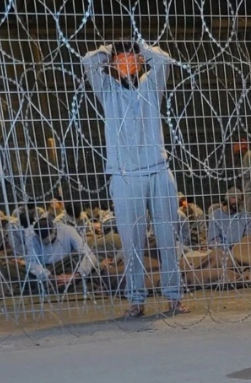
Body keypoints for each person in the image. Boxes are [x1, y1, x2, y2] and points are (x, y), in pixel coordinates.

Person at [81, 39, 189, 316]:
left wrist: (141, 48)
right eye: (121, 59)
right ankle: (136, 300)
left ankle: (174, 297)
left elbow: (163, 60)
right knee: (132, 243)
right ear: (113, 65)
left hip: (158, 171)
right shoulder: (108, 91)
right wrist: (108, 52)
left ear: (140, 62)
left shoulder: (151, 86)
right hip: (125, 176)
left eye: (131, 58)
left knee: (168, 239)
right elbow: (88, 62)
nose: (127, 62)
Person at [24, 218, 98, 290]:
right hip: (47, 270)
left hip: (67, 267)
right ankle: (61, 285)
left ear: (54, 229)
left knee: (81, 258)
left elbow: (89, 255)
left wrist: (76, 275)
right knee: (25, 273)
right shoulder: (33, 238)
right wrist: (50, 277)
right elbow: (31, 263)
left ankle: (64, 283)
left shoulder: (68, 231)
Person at [233, 138, 251, 213]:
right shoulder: (249, 155)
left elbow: (247, 174)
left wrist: (238, 168)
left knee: (249, 212)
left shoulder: (248, 156)